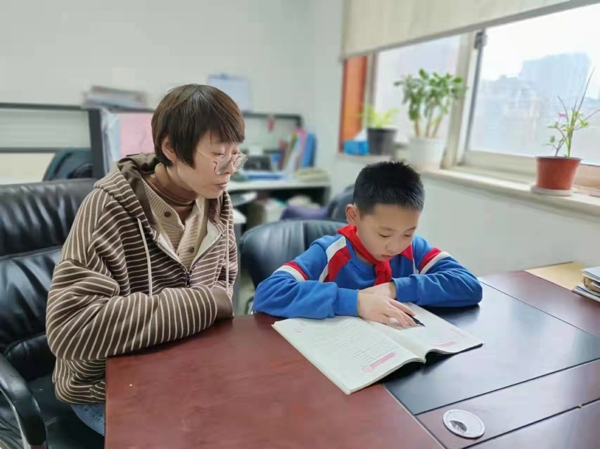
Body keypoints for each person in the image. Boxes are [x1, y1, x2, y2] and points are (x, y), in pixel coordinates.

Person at [46, 84, 246, 436]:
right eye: (218, 155)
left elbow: (223, 291)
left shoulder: (217, 202)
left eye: (236, 155)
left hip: (184, 372)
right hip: (106, 388)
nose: (230, 169)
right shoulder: (109, 207)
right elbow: (70, 327)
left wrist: (210, 306)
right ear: (171, 148)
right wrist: (203, 303)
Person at [253, 161, 482, 326]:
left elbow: (469, 285)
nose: (395, 247)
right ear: (353, 216)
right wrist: (356, 302)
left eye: (408, 233)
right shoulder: (329, 253)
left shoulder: (413, 249)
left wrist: (394, 288)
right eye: (384, 234)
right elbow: (268, 292)